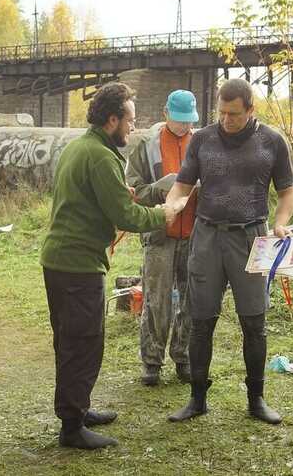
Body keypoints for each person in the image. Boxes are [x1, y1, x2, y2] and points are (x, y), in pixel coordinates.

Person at [40, 82, 179, 449]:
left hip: (63, 261)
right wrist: (163, 212)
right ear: (112, 119)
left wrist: (122, 193)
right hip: (77, 264)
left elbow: (94, 198)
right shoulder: (100, 156)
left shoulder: (82, 147)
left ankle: (78, 408)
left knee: (72, 340)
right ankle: (72, 426)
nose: (133, 128)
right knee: (82, 343)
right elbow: (125, 215)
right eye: (130, 120)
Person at [164, 78, 293, 426]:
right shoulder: (203, 140)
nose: (226, 120)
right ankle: (197, 399)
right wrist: (172, 205)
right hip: (207, 237)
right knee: (200, 320)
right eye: (221, 113)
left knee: (254, 323)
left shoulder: (272, 142)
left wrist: (281, 224)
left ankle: (256, 400)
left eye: (234, 114)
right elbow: (182, 183)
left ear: (251, 109)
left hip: (252, 238)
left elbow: (287, 194)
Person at [126, 90, 199, 386]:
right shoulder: (145, 146)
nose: (184, 127)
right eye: (179, 121)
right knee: (157, 301)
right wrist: (160, 188)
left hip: (195, 235)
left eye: (188, 122)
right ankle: (152, 363)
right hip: (159, 235)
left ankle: (183, 359)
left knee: (192, 301)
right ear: (165, 113)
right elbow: (132, 191)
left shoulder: (202, 143)